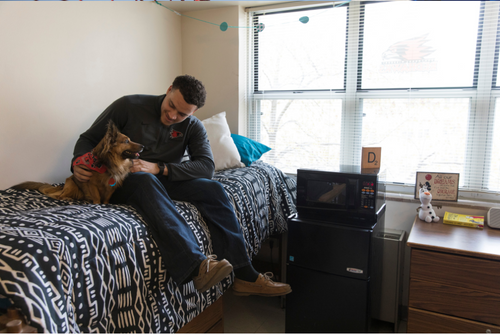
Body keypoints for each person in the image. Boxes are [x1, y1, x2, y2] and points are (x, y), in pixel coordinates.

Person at [72, 74, 291, 297]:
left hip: (161, 178)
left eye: (182, 114)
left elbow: (207, 167)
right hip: (118, 181)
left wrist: (160, 168)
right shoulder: (128, 105)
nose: (172, 115)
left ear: (193, 112)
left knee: (213, 189)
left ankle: (244, 275)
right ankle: (197, 266)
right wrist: (78, 161)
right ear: (168, 90)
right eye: (171, 106)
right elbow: (88, 139)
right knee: (146, 180)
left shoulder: (193, 126)